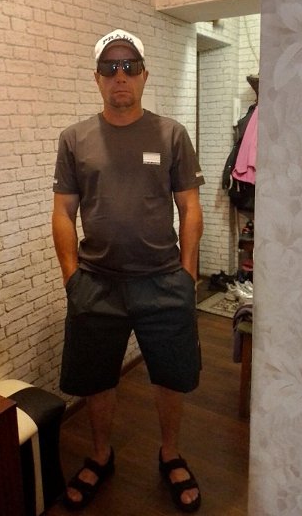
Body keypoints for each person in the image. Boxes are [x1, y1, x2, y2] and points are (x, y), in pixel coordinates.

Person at [52, 29, 205, 513]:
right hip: (97, 283)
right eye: (110, 68)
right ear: (97, 78)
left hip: (163, 279)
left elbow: (190, 206)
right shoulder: (74, 139)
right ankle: (101, 454)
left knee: (170, 375)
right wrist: (72, 277)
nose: (120, 76)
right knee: (97, 378)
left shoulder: (171, 134)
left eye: (130, 66)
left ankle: (170, 452)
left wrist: (187, 273)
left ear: (144, 75)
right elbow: (63, 211)